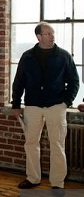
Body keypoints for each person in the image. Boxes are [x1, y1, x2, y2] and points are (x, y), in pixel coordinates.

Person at [11, 21, 79, 191]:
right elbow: (19, 82)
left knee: (57, 144)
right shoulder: (27, 57)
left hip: (56, 106)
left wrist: (66, 102)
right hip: (33, 106)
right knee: (31, 143)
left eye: (52, 33)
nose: (52, 37)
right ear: (39, 37)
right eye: (48, 34)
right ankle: (33, 178)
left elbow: (74, 81)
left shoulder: (64, 56)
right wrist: (16, 104)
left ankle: (57, 183)